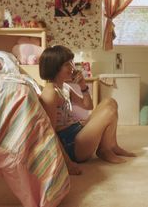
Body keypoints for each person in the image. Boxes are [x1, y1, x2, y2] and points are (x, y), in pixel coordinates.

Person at [39, 45, 136, 175]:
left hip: (77, 130)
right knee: (109, 112)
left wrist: (83, 85)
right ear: (55, 67)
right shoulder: (50, 92)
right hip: (71, 145)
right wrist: (67, 164)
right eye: (67, 64)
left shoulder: (65, 87)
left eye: (71, 63)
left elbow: (87, 106)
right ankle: (104, 150)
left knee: (109, 102)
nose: (72, 68)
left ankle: (111, 146)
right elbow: (50, 132)